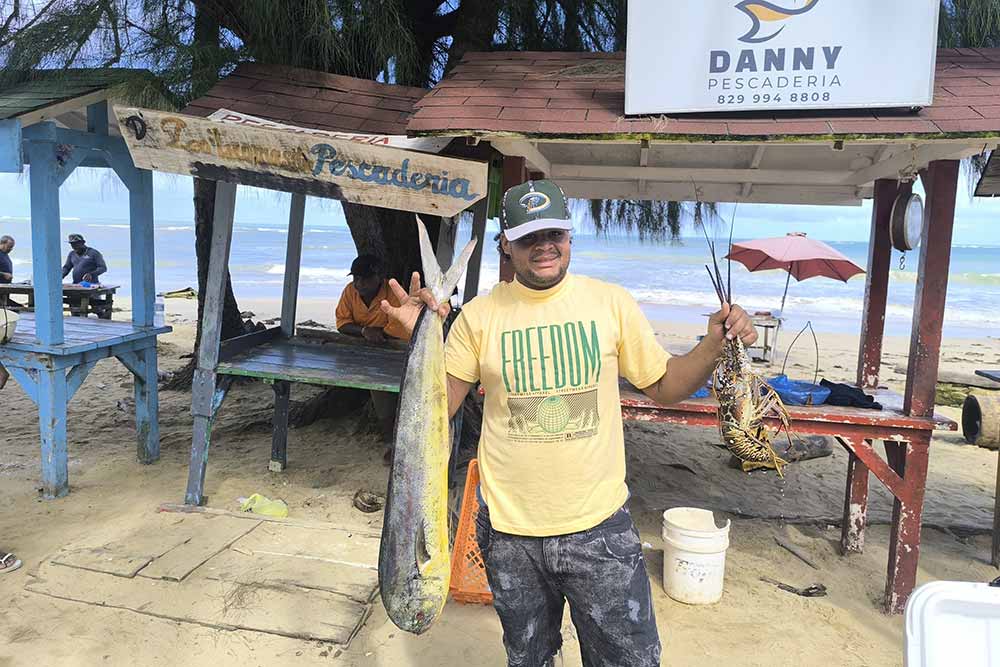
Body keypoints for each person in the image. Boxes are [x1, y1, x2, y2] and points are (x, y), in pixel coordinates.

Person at [381, 180, 758, 667]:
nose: (544, 246)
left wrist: (713, 345)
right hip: (508, 534)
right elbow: (436, 413)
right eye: (528, 237)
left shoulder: (610, 303)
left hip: (598, 528)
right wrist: (420, 339)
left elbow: (664, 384)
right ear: (507, 244)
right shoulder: (478, 317)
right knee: (530, 659)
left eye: (554, 233)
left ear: (569, 236)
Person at [336, 254, 410, 461]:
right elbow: (342, 323)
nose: (359, 283)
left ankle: (399, 443)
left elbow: (399, 328)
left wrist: (380, 333)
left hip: (397, 351)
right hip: (363, 353)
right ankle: (390, 440)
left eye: (365, 278)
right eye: (356, 278)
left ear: (379, 276)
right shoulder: (350, 292)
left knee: (391, 391)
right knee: (375, 390)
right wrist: (364, 331)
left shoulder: (393, 295)